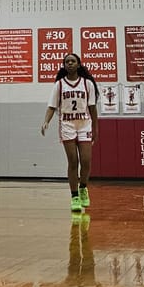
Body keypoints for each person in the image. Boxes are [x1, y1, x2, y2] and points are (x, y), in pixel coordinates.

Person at [40, 53, 98, 214]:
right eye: (67, 62)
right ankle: (74, 197)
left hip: (85, 124)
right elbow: (52, 106)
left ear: (79, 64)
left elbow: (92, 108)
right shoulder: (59, 85)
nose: (70, 63)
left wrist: (96, 129)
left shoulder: (88, 84)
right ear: (64, 65)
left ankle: (83, 188)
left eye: (73, 61)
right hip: (67, 124)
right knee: (73, 161)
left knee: (86, 161)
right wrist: (46, 121)